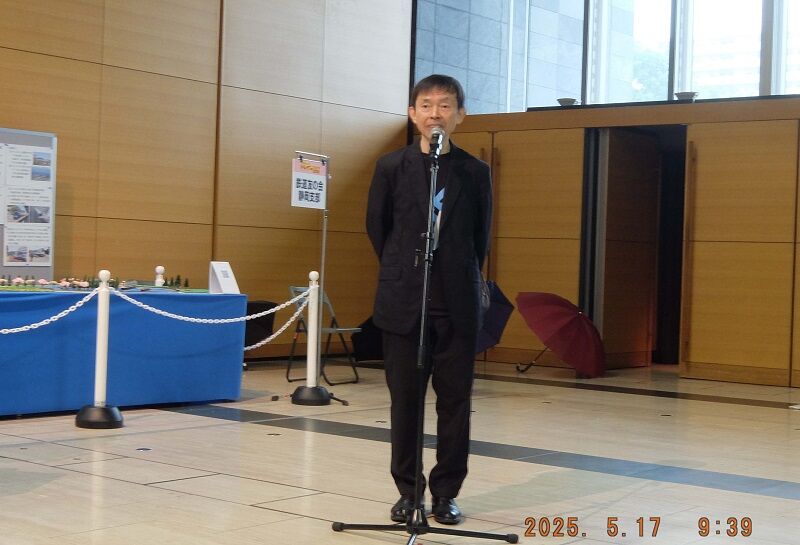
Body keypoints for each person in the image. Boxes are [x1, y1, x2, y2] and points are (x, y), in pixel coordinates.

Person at [366, 74, 492, 525]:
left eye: (444, 105)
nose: (434, 113)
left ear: (460, 115)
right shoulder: (390, 167)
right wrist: (406, 270)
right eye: (426, 105)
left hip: (456, 307)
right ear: (412, 113)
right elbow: (378, 229)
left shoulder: (475, 172)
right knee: (405, 402)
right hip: (404, 303)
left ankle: (445, 494)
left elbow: (480, 238)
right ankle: (408, 491)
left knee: (455, 404)